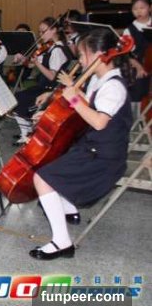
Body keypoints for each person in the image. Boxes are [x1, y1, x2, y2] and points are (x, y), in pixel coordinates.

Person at [29, 28, 132, 260]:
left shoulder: (113, 86)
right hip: (92, 147)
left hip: (104, 158)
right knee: (52, 163)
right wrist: (50, 115)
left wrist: (73, 98)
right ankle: (68, 208)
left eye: (83, 55)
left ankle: (62, 242)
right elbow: (86, 106)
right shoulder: (98, 79)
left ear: (100, 55)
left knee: (42, 178)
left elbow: (98, 122)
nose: (81, 61)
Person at [12, 17, 72, 145]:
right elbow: (31, 65)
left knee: (18, 99)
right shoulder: (49, 48)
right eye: (39, 32)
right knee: (18, 97)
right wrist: (23, 60)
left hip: (51, 89)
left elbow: (51, 76)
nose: (41, 35)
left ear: (54, 30)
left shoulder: (57, 50)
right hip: (44, 86)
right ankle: (27, 131)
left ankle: (27, 133)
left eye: (43, 31)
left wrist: (37, 64)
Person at [122, 0, 151, 103]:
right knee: (138, 91)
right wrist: (138, 67)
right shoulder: (129, 30)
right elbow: (125, 53)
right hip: (138, 66)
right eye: (135, 9)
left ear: (150, 8)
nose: (138, 11)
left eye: (142, 8)